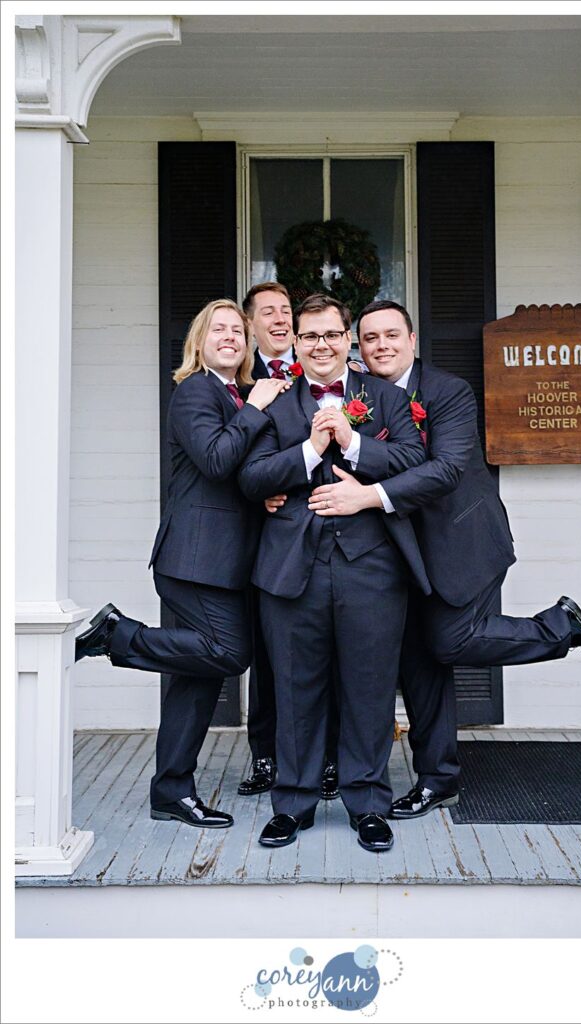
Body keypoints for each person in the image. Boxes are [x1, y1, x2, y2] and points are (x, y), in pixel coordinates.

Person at [307, 299, 581, 820]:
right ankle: (438, 779)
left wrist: (369, 497)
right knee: (419, 666)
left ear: (413, 340)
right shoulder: (359, 395)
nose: (381, 346)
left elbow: (444, 470)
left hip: (463, 542)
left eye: (391, 335)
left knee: (449, 640)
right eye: (370, 337)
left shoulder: (447, 392)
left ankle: (559, 626)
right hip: (402, 556)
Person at [74, 299, 289, 829]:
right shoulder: (196, 390)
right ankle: (118, 635)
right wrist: (257, 407)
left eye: (238, 330)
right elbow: (215, 457)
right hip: (195, 559)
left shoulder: (232, 393)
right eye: (219, 329)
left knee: (195, 679)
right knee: (229, 652)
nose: (230, 336)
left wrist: (261, 492)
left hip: (226, 561)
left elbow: (234, 469)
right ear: (198, 341)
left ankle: (172, 789)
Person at [239, 293, 430, 853]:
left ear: (347, 340)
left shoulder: (386, 397)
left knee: (369, 690)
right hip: (291, 569)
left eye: (331, 334)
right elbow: (250, 478)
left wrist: (354, 443)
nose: (321, 345)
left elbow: (416, 461)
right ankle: (292, 804)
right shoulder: (274, 404)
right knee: (296, 689)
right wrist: (308, 449)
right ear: (295, 343)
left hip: (371, 568)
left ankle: (368, 801)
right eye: (309, 336)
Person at [238, 282, 340, 801]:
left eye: (286, 311)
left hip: (328, 533)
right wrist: (260, 494)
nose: (278, 319)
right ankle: (266, 757)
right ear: (251, 323)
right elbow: (235, 462)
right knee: (271, 658)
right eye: (268, 312)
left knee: (323, 656)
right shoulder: (241, 379)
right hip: (260, 536)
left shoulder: (333, 377)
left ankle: (324, 760)